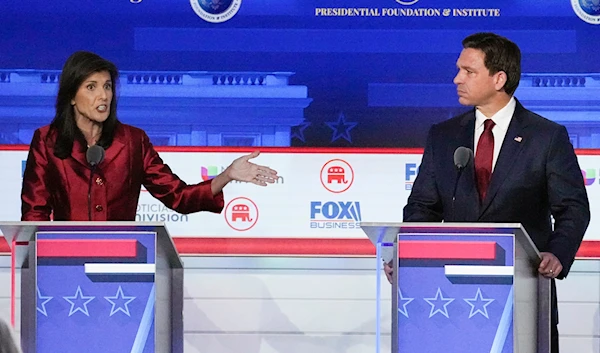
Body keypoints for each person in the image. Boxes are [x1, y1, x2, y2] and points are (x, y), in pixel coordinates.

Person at [388, 32, 590, 352]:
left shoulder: (546, 137)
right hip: (451, 302)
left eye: (469, 71)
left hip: (523, 293)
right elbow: (422, 207)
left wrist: (556, 254)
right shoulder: (443, 136)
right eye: (459, 69)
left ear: (499, 79)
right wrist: (405, 253)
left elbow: (573, 208)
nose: (457, 79)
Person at [21, 51, 278, 221]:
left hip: (123, 266)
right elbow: (34, 213)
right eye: (92, 87)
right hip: (63, 264)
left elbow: (179, 196)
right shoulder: (47, 141)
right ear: (71, 97)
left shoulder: (133, 141)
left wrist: (227, 175)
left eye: (108, 87)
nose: (104, 96)